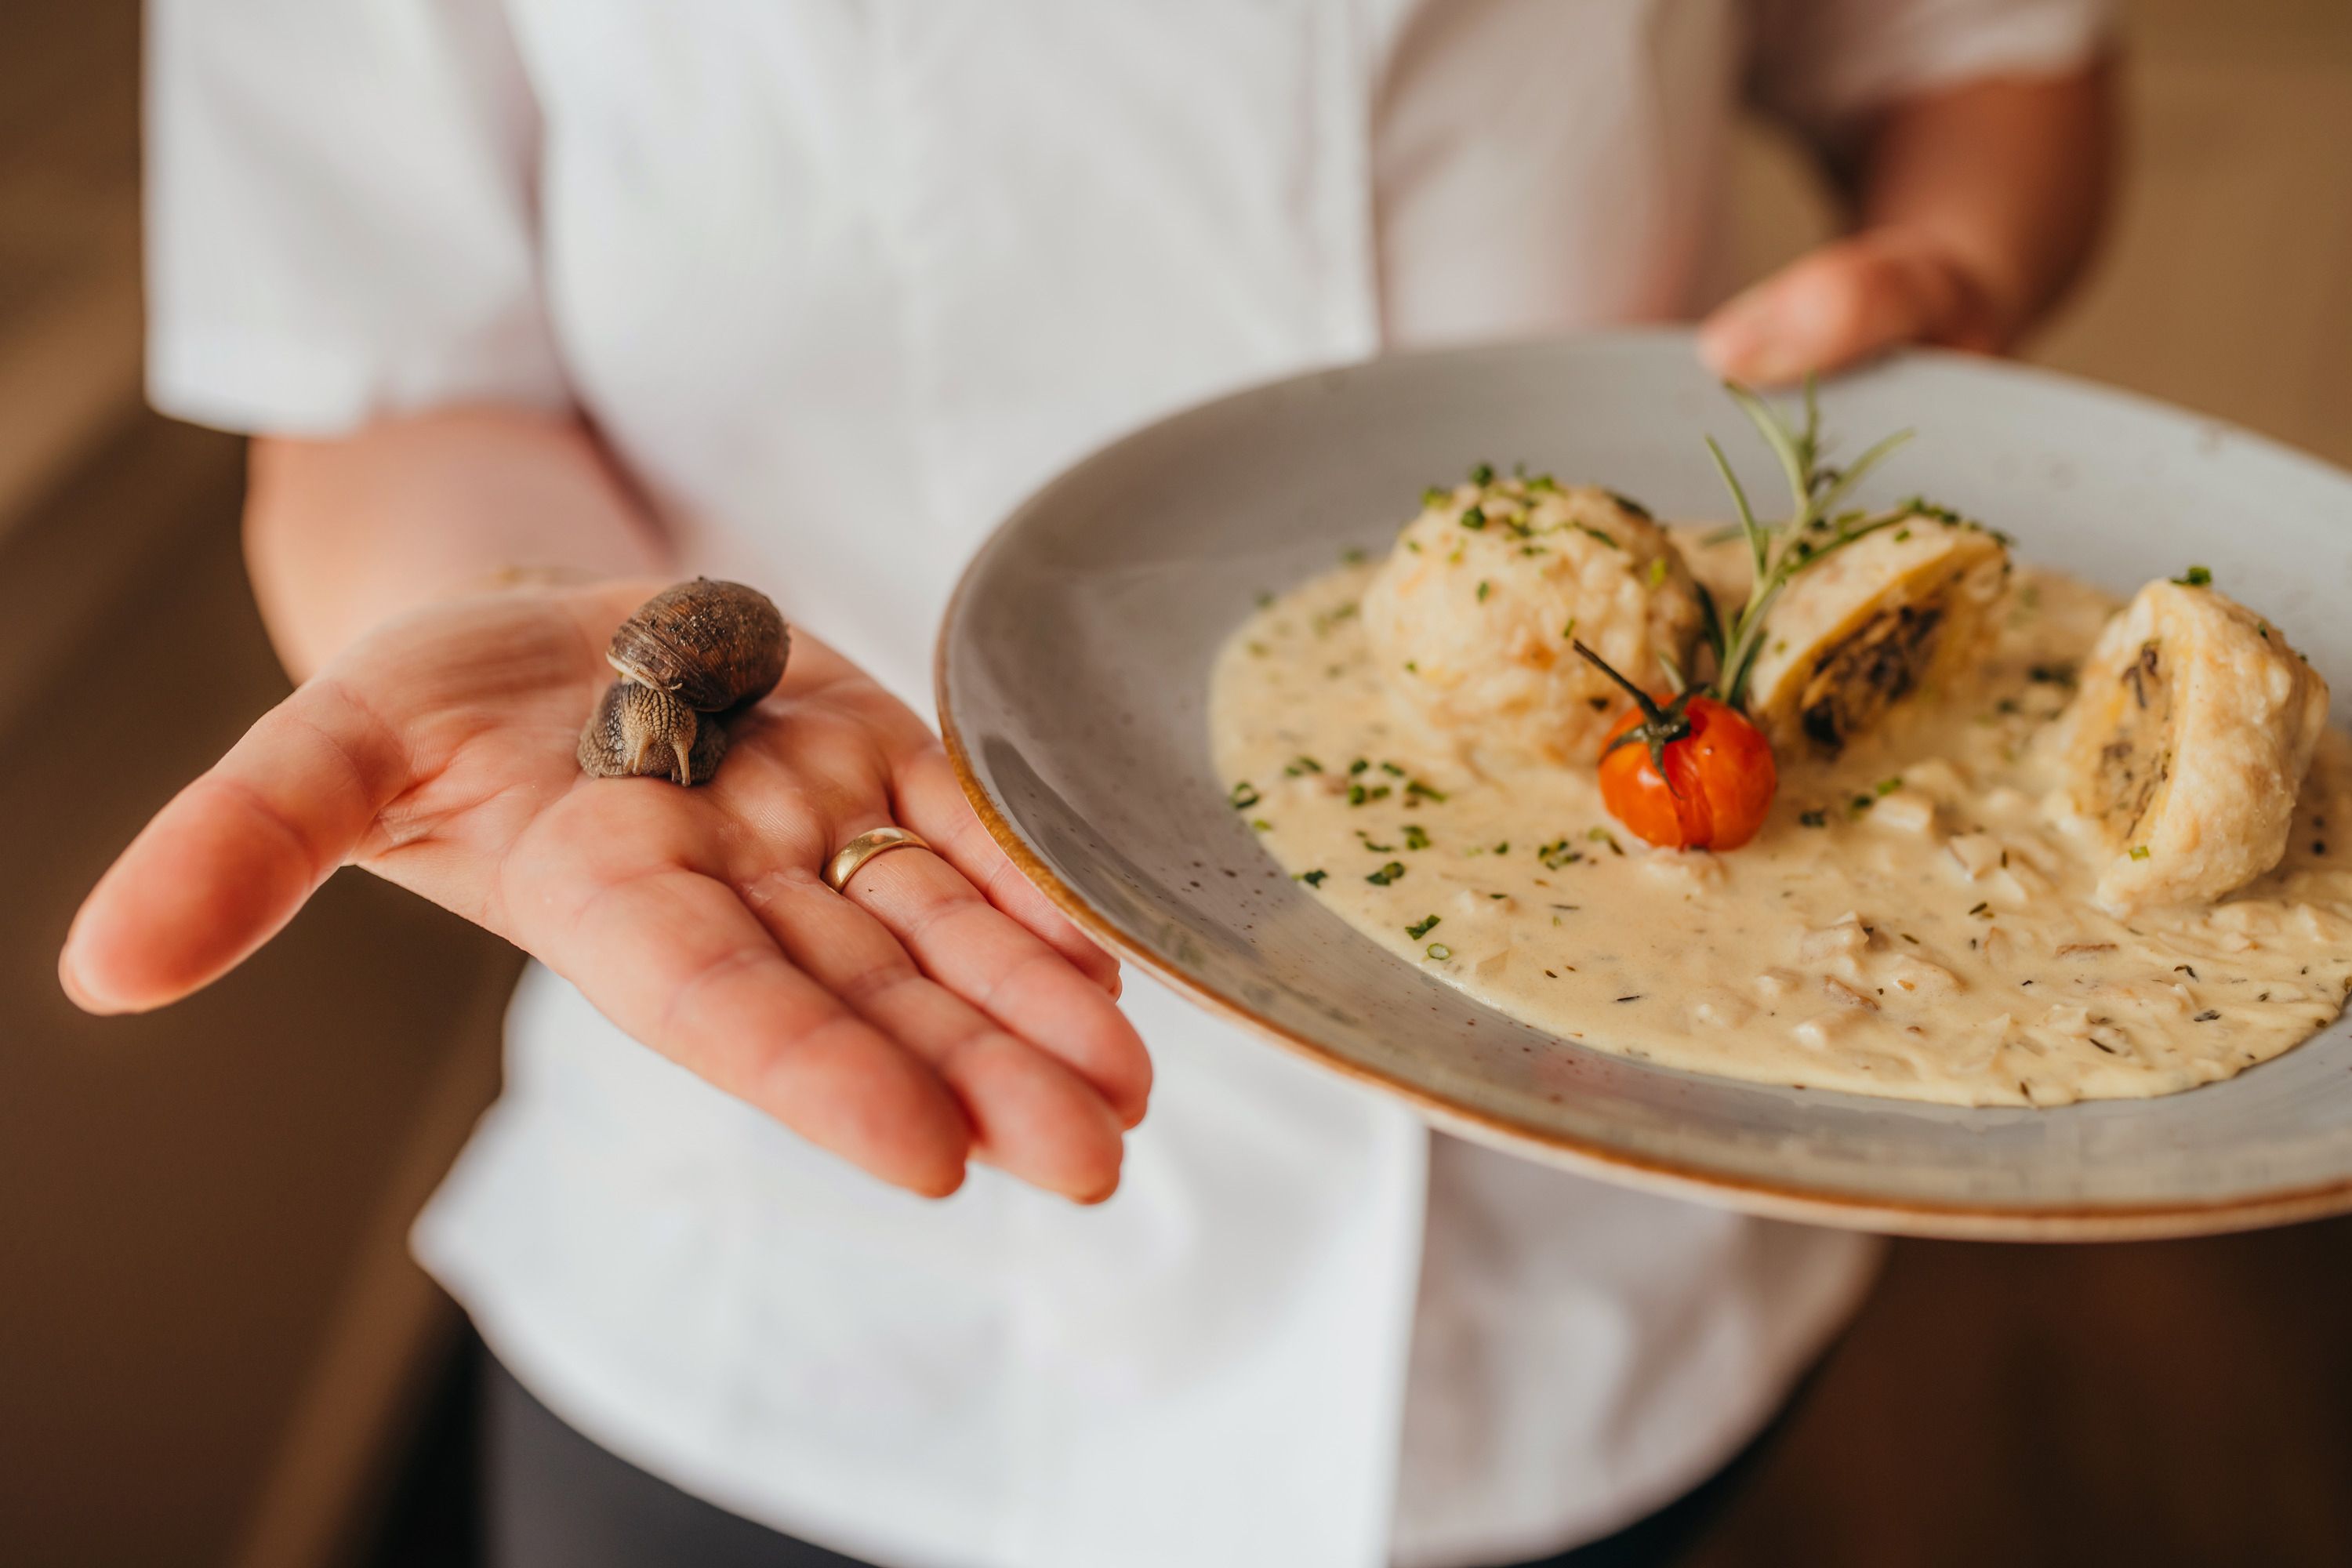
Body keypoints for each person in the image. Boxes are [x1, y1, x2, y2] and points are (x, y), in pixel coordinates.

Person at [70, 4, 2114, 1565]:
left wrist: (1943, 274)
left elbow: (1989, 60)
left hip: (1590, 1268)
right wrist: (549, 627)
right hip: (801, 1205)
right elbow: (384, 381)